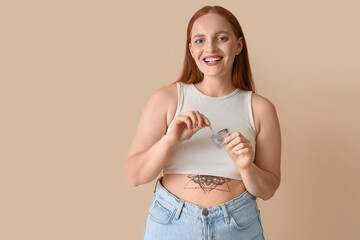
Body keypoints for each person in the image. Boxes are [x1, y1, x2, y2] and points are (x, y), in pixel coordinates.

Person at [126, 5, 281, 240]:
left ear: (238, 45)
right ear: (190, 49)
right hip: (171, 225)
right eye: (199, 40)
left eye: (221, 38)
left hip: (237, 227)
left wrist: (246, 166)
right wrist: (171, 140)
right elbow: (135, 175)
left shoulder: (260, 108)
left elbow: (268, 190)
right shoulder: (166, 99)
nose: (210, 48)